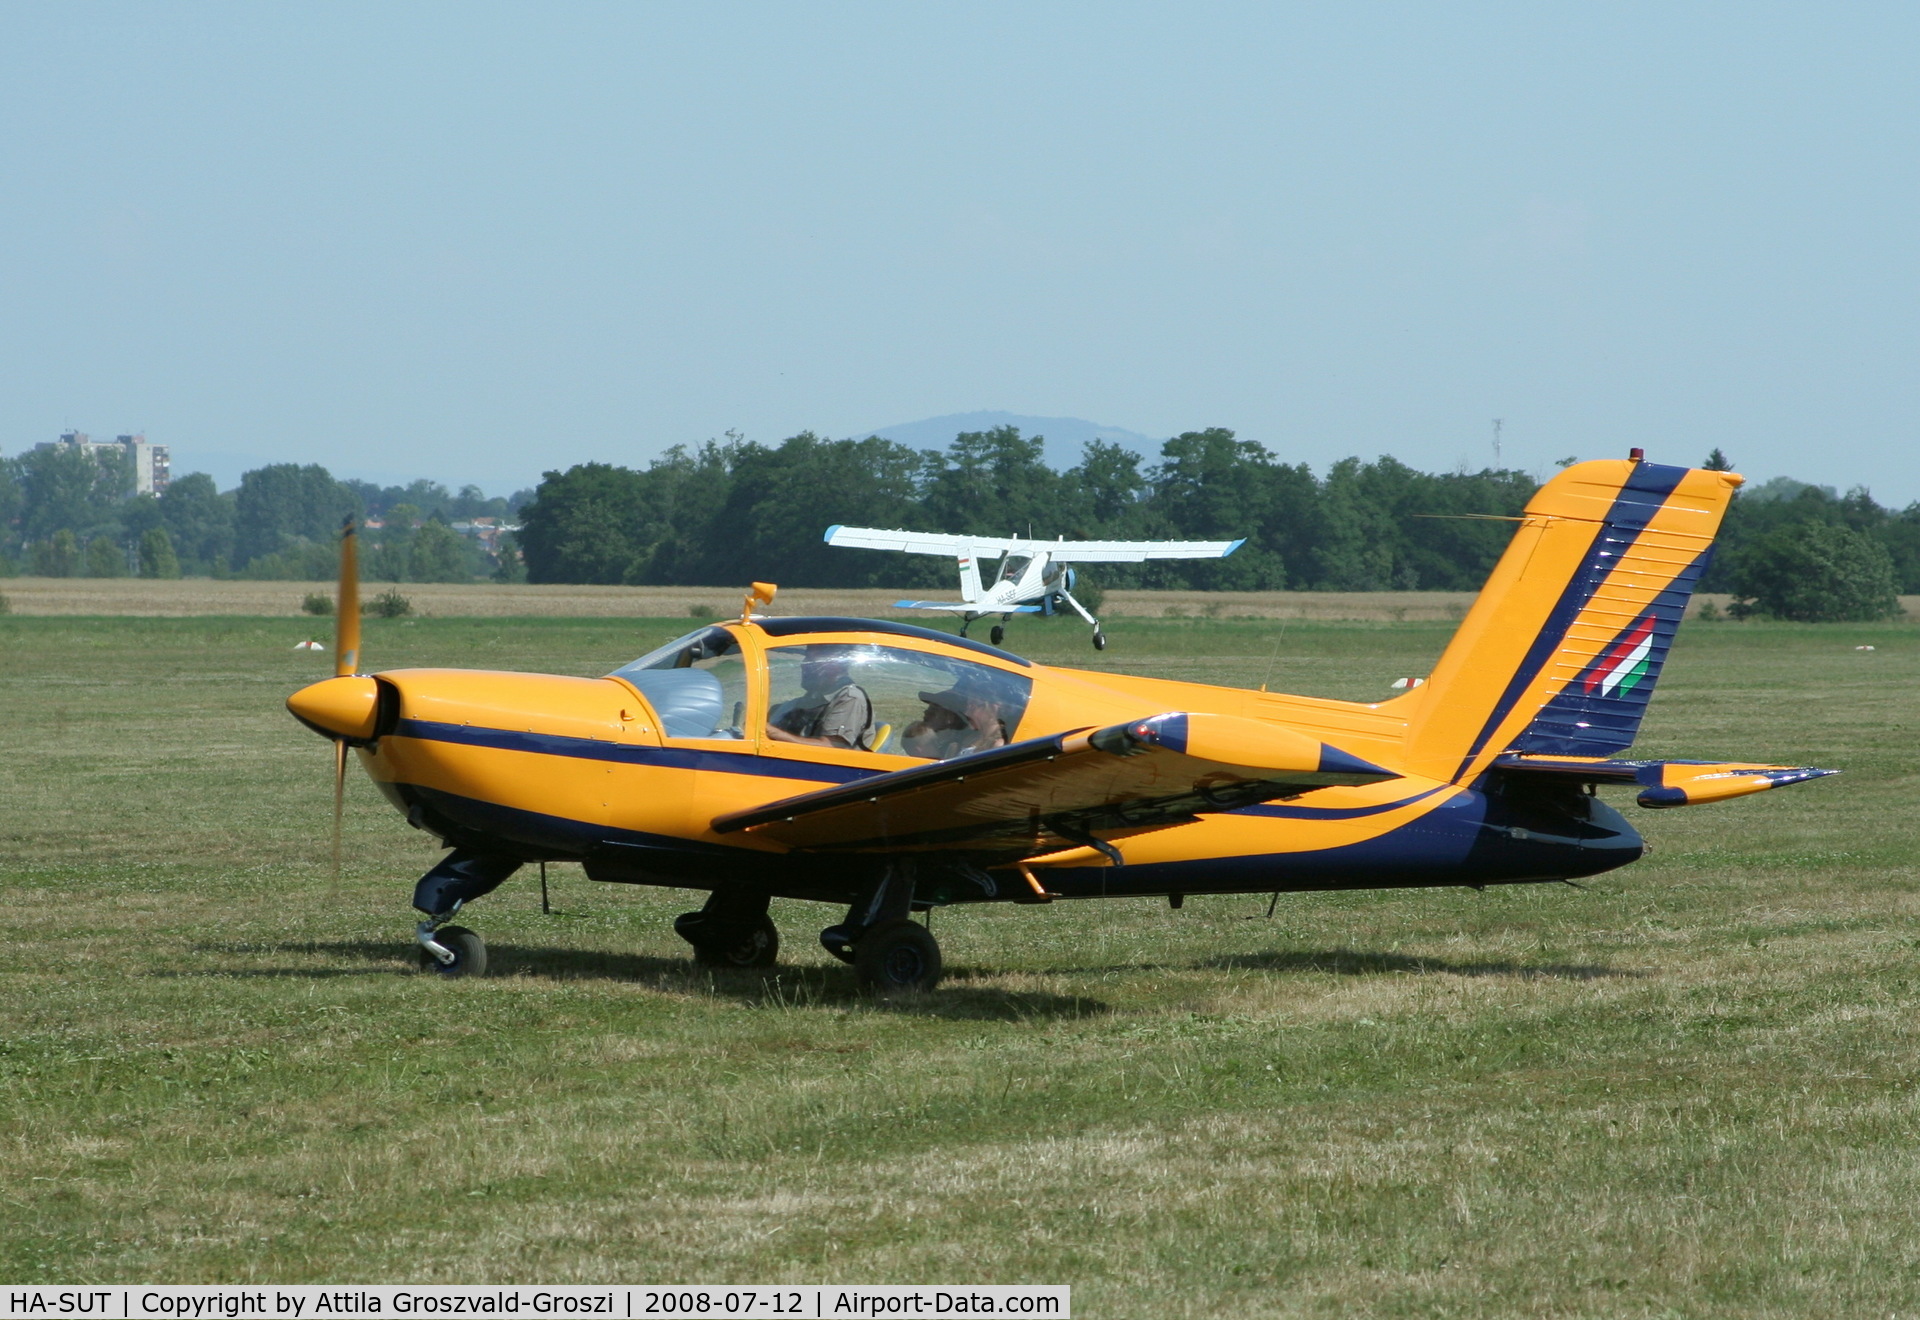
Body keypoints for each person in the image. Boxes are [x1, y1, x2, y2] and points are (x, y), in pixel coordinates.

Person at [766, 645, 875, 750]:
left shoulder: (850, 698)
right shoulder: (816, 697)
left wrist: (772, 732)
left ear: (834, 665)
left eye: (812, 660)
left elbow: (831, 748)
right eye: (806, 657)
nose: (804, 664)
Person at [901, 680, 1008, 760]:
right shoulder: (965, 740)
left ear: (993, 708)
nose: (967, 713)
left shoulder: (996, 746)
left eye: (973, 706)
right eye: (968, 706)